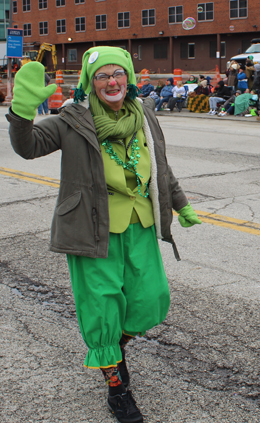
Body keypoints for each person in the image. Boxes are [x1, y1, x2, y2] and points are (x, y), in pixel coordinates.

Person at [7, 46, 202, 423]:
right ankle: (117, 388)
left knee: (151, 300)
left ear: (128, 78)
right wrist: (21, 112)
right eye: (102, 76)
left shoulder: (143, 112)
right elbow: (28, 146)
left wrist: (180, 202)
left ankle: (116, 348)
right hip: (91, 229)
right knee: (102, 310)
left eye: (118, 74)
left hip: (140, 223)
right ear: (89, 82)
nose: (112, 81)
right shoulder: (72, 119)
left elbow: (159, 163)